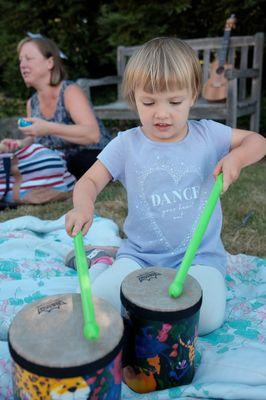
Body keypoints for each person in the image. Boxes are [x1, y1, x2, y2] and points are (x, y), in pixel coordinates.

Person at [65, 37, 266, 335]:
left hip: (200, 257)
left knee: (206, 319)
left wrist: (237, 157)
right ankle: (102, 261)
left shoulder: (208, 135)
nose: (162, 113)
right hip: (140, 255)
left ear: (192, 95)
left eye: (174, 102)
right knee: (100, 303)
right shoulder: (126, 145)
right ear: (134, 98)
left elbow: (258, 141)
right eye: (149, 102)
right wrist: (83, 207)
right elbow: (90, 181)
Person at [0, 35, 112, 179]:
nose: (22, 65)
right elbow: (35, 140)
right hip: (59, 162)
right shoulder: (32, 103)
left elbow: (92, 134)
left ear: (50, 62)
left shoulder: (69, 90)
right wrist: (18, 143)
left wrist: (47, 128)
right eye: (21, 60)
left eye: (29, 58)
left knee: (78, 162)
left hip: (92, 157)